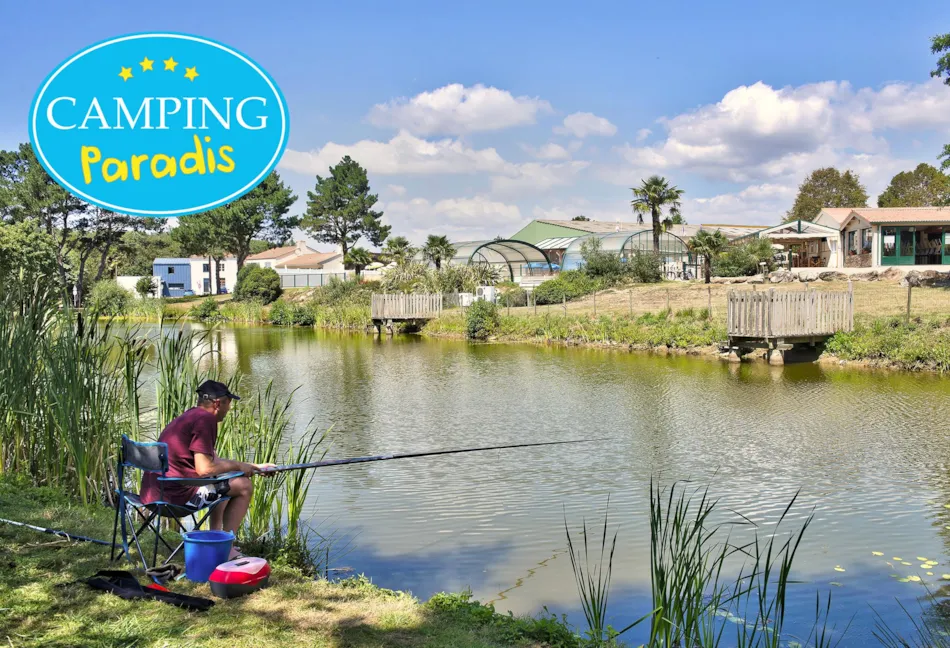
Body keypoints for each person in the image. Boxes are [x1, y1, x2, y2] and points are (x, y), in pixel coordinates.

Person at [140, 380, 276, 559]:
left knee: (223, 481)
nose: (229, 409)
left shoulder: (190, 416)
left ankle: (216, 537)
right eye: (229, 403)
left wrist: (253, 467)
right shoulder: (206, 419)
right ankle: (225, 547)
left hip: (152, 495)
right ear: (218, 403)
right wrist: (238, 467)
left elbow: (211, 463)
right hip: (174, 499)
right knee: (243, 486)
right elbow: (205, 469)